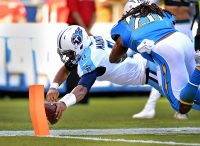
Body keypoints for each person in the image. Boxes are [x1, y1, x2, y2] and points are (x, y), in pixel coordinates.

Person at [46, 25, 166, 121]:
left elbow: (82, 89)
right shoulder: (90, 42)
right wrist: (54, 87)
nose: (68, 56)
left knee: (180, 100)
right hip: (146, 64)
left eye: (69, 53)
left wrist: (63, 103)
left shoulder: (92, 59)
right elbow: (66, 68)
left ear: (79, 45)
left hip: (147, 70)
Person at [109, 1, 200, 115]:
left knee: (181, 106)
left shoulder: (125, 24)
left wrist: (120, 57)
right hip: (183, 39)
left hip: (165, 49)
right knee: (193, 90)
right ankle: (198, 67)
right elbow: (169, 27)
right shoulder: (161, 14)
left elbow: (114, 55)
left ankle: (199, 68)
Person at [132, 0, 195, 119]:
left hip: (186, 29)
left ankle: (181, 109)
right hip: (170, 29)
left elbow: (193, 12)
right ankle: (150, 107)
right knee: (164, 71)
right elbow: (148, 4)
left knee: (188, 72)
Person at [65, 0, 96, 104]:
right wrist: (86, 30)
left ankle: (80, 97)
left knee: (82, 64)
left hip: (84, 30)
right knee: (76, 64)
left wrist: (86, 30)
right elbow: (74, 13)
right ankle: (75, 97)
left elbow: (94, 13)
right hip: (75, 30)